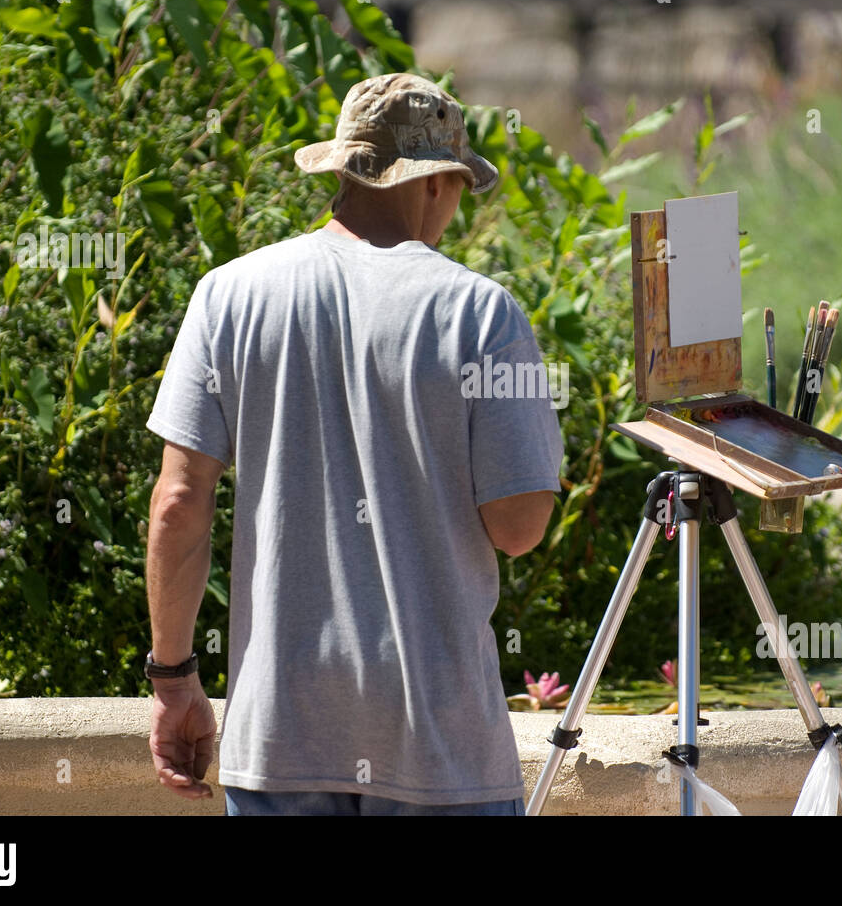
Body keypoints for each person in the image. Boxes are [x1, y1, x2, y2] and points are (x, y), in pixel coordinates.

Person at [143, 72, 565, 816]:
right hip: (440, 746)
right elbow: (519, 527)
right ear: (433, 183)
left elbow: (179, 501)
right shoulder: (482, 313)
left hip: (279, 736)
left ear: (343, 169)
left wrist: (174, 678)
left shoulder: (228, 294)